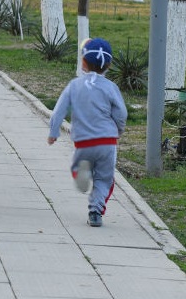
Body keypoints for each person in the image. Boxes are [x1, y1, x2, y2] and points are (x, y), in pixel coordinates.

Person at [47, 37, 127, 227]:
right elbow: (121, 113)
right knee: (104, 179)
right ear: (110, 64)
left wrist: (53, 133)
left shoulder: (74, 85)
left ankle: (80, 172)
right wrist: (118, 130)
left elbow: (59, 110)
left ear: (83, 63)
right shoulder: (111, 87)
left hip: (83, 142)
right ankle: (95, 211)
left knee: (79, 164)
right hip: (107, 142)